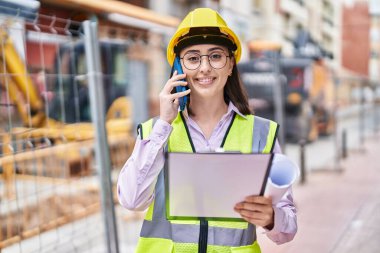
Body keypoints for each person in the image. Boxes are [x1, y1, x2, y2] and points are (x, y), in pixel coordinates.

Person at [117, 7, 297, 253]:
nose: (205, 68)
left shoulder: (261, 133)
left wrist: (271, 217)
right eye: (192, 58)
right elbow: (131, 200)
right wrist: (164, 125)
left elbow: (288, 228)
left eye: (215, 56)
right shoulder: (156, 131)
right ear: (178, 70)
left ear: (230, 65)